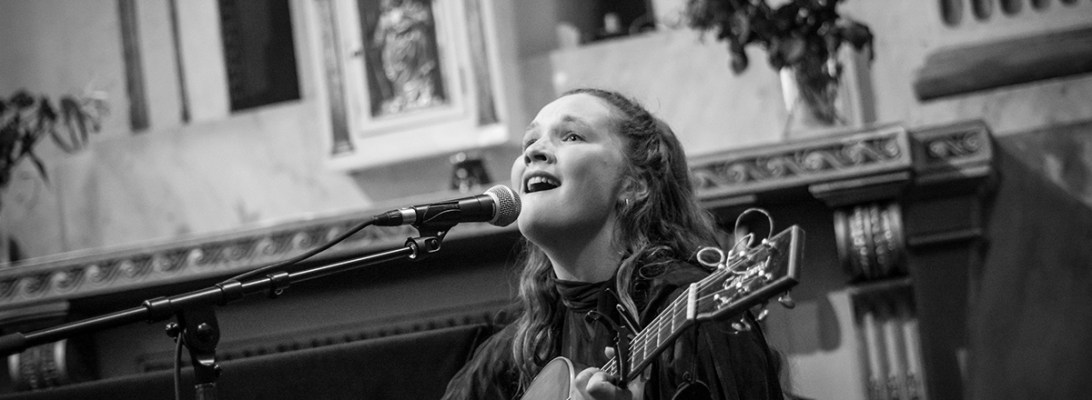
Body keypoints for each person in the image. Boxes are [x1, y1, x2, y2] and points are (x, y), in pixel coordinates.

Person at [441, 88, 783, 400]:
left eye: (571, 136)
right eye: (529, 141)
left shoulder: (698, 314)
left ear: (633, 184)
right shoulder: (523, 347)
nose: (533, 152)